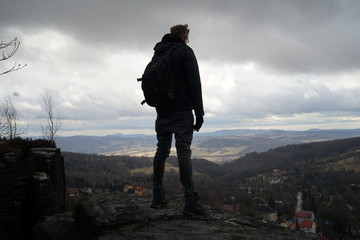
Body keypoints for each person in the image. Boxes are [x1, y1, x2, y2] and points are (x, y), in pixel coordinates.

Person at [150, 24, 206, 216]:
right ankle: (190, 201)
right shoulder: (185, 52)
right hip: (181, 111)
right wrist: (199, 114)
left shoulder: (158, 52)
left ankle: (158, 196)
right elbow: (194, 83)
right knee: (183, 153)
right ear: (185, 36)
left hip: (162, 111)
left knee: (161, 151)